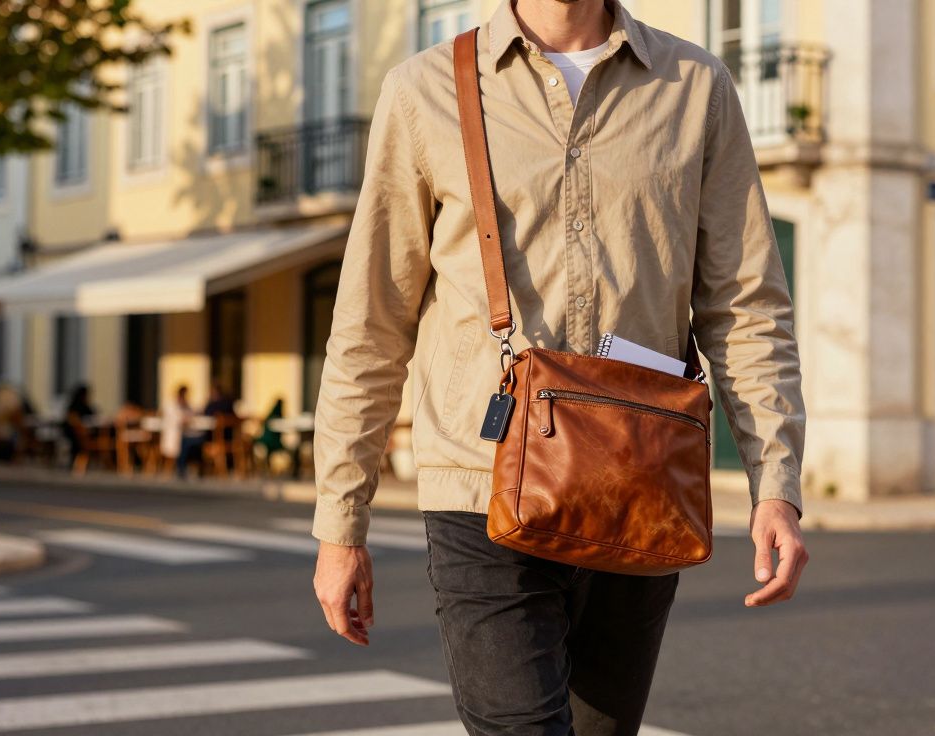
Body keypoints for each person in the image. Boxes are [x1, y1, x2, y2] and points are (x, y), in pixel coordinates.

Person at [312, 1, 809, 734]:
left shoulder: (694, 86)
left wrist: (778, 485)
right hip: (478, 484)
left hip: (639, 480)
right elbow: (370, 325)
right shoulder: (424, 91)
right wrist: (339, 524)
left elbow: (746, 307)